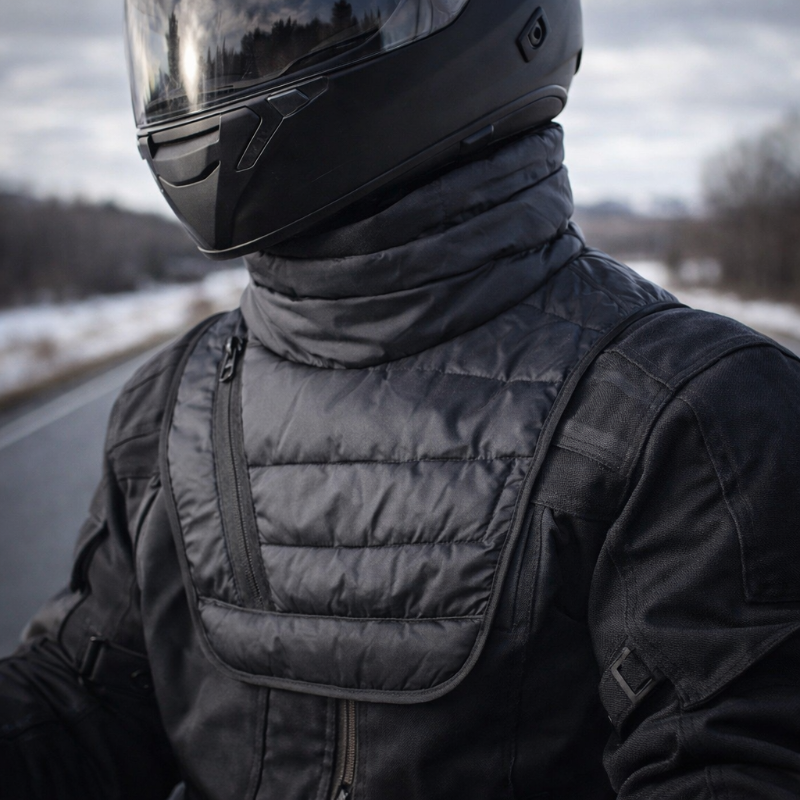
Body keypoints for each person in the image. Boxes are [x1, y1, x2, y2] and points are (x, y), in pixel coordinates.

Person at [2, 0, 800, 797]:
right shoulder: (169, 402)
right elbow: (83, 696)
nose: (225, 63)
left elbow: (730, 758)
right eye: (206, 31)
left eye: (285, 24)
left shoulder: (696, 413)